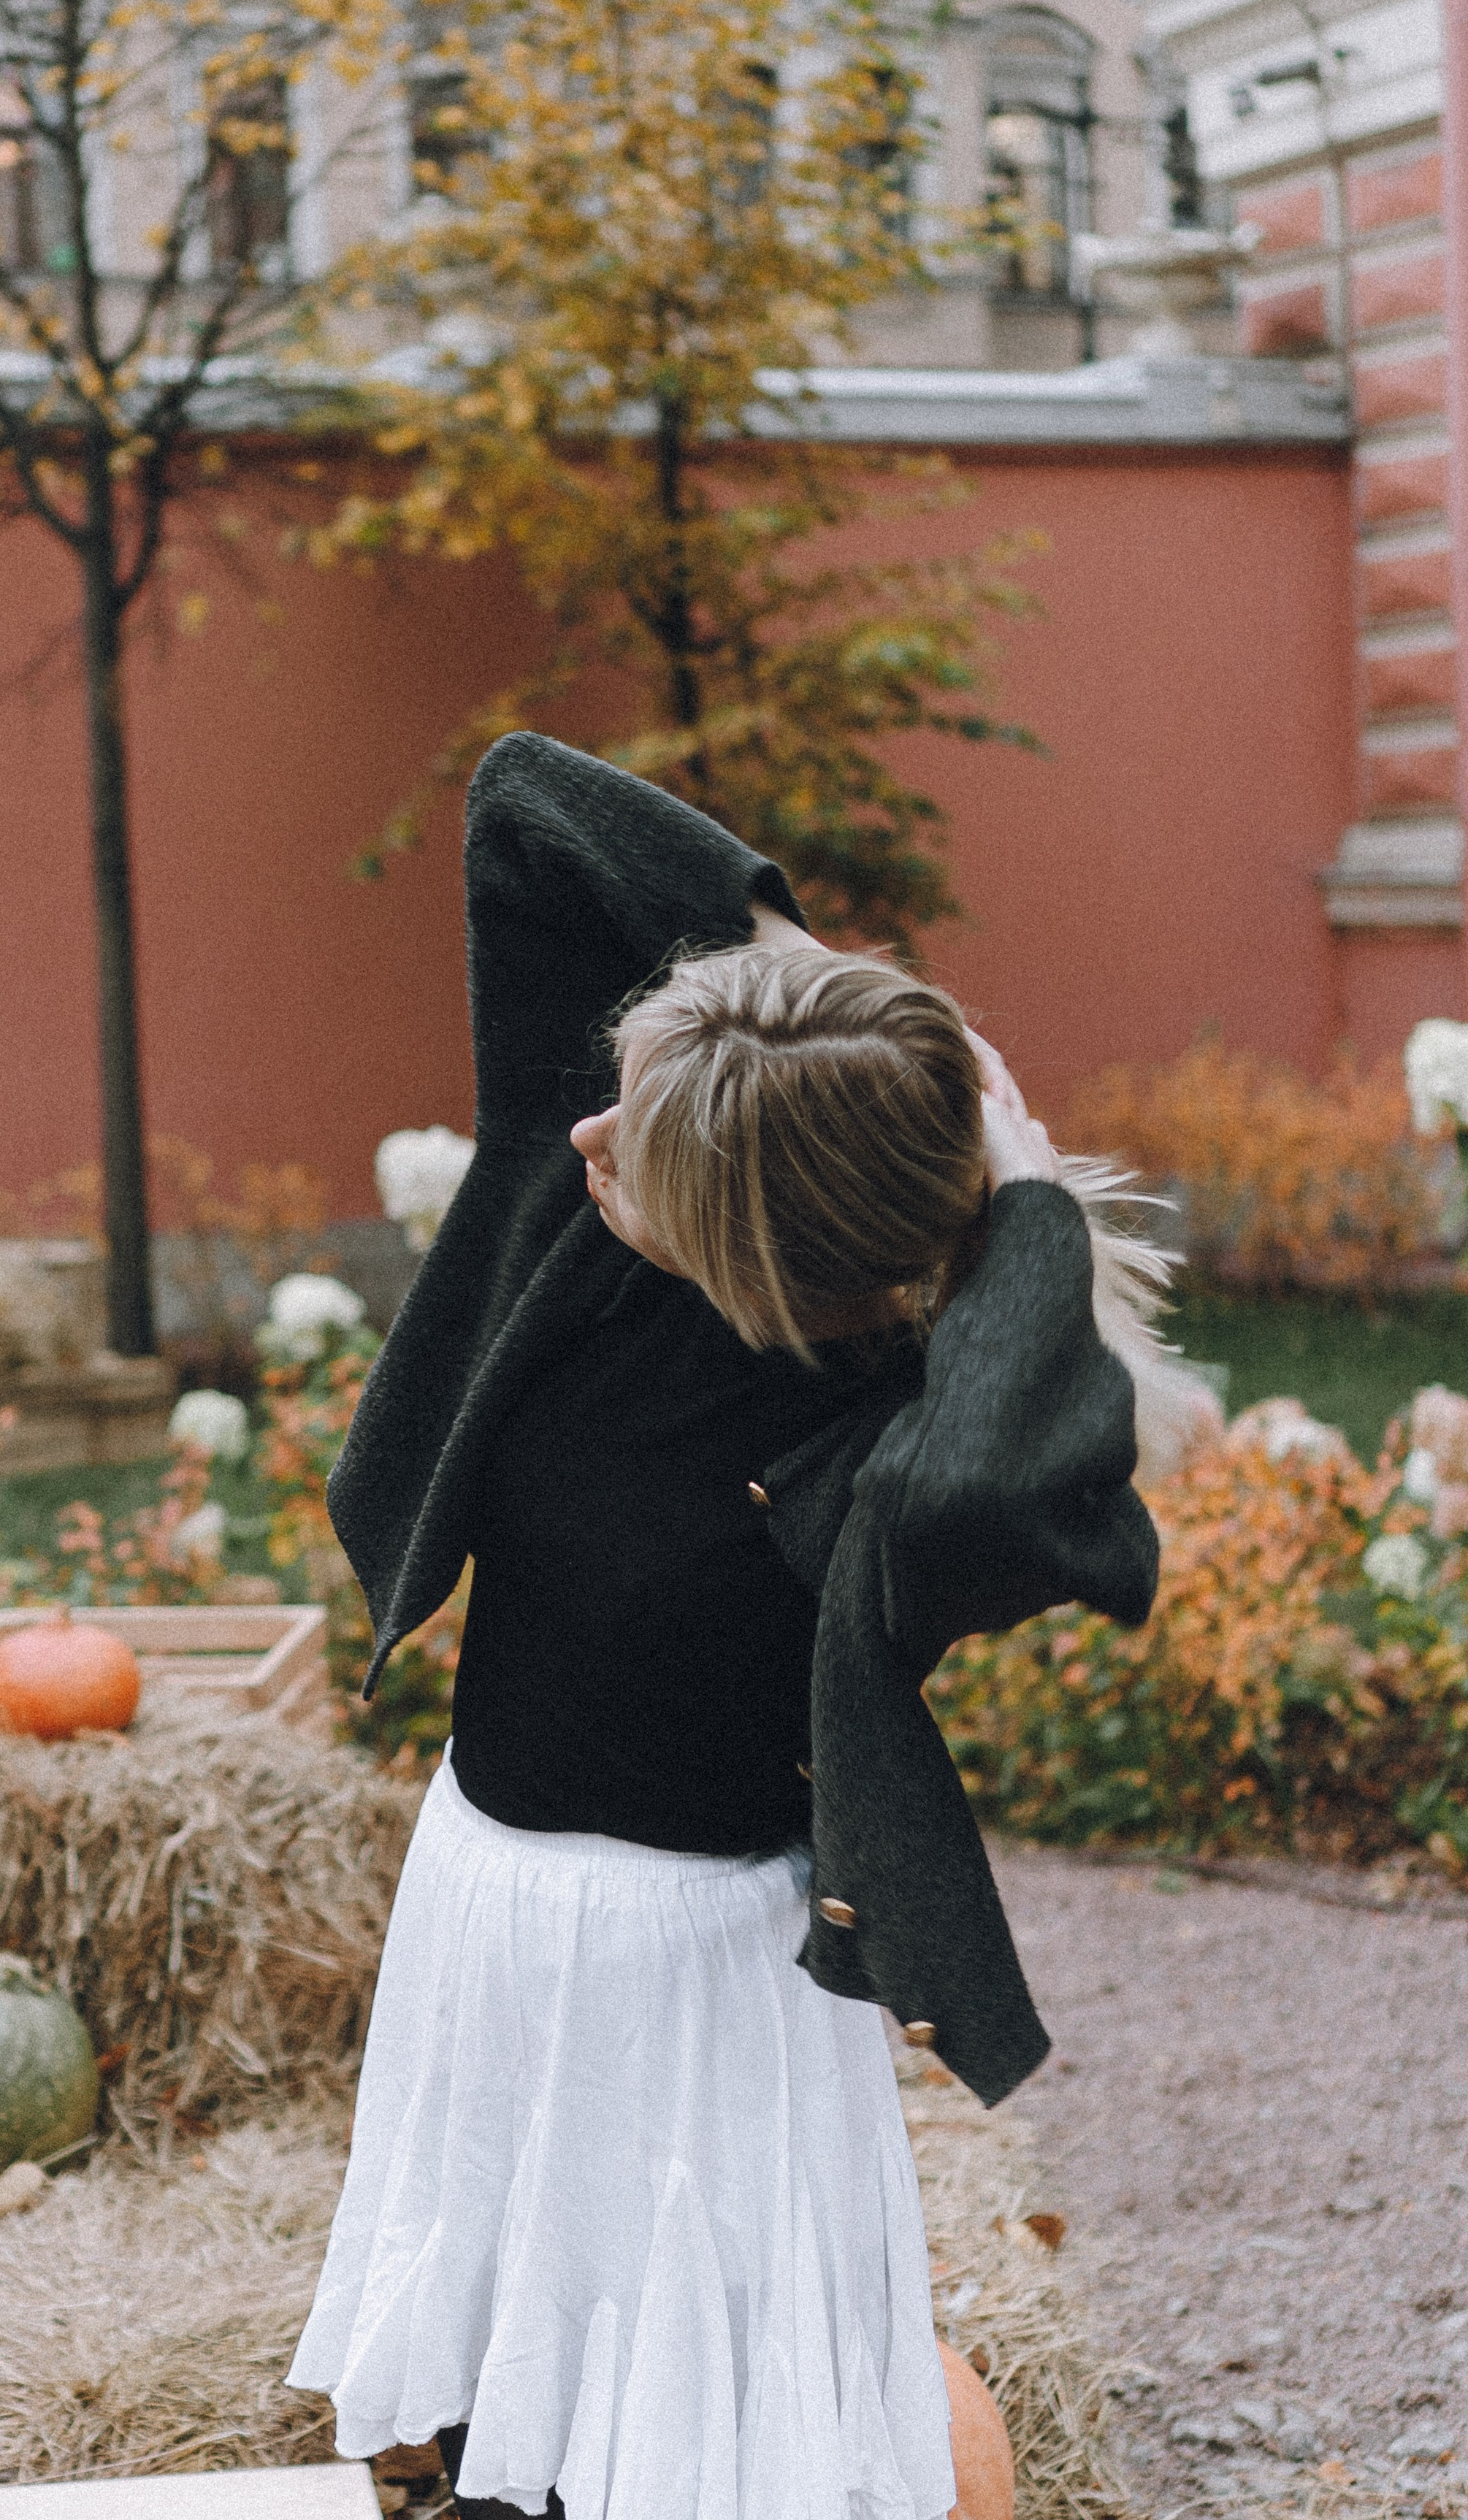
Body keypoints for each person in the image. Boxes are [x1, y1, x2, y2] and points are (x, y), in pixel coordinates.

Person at [290, 732, 1174, 2520]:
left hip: (699, 1966)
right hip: (490, 1894)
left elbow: (1031, 1470)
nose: (588, 1132)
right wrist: (796, 987)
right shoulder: (584, 1223)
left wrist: (1001, 1189)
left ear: (756, 1231)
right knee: (503, 2368)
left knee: (696, 2419)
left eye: (640, 1137)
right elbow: (528, 801)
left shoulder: (887, 1451)